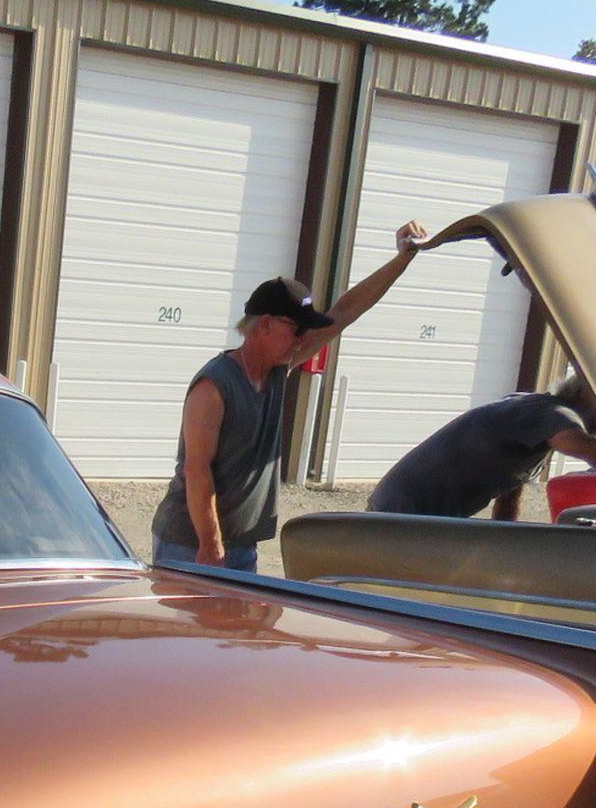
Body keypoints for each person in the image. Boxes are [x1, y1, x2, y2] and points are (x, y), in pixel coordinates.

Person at [151, 224, 431, 571]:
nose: (303, 339)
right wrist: (210, 546)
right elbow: (197, 470)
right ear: (264, 325)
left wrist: (402, 260)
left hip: (239, 544)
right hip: (189, 544)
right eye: (296, 329)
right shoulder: (213, 387)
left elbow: (344, 313)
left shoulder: (275, 370)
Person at [366, 371, 596, 519]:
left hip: (403, 509)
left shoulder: (529, 411)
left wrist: (505, 535)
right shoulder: (553, 414)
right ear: (588, 392)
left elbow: (509, 489)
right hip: (403, 514)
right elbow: (591, 451)